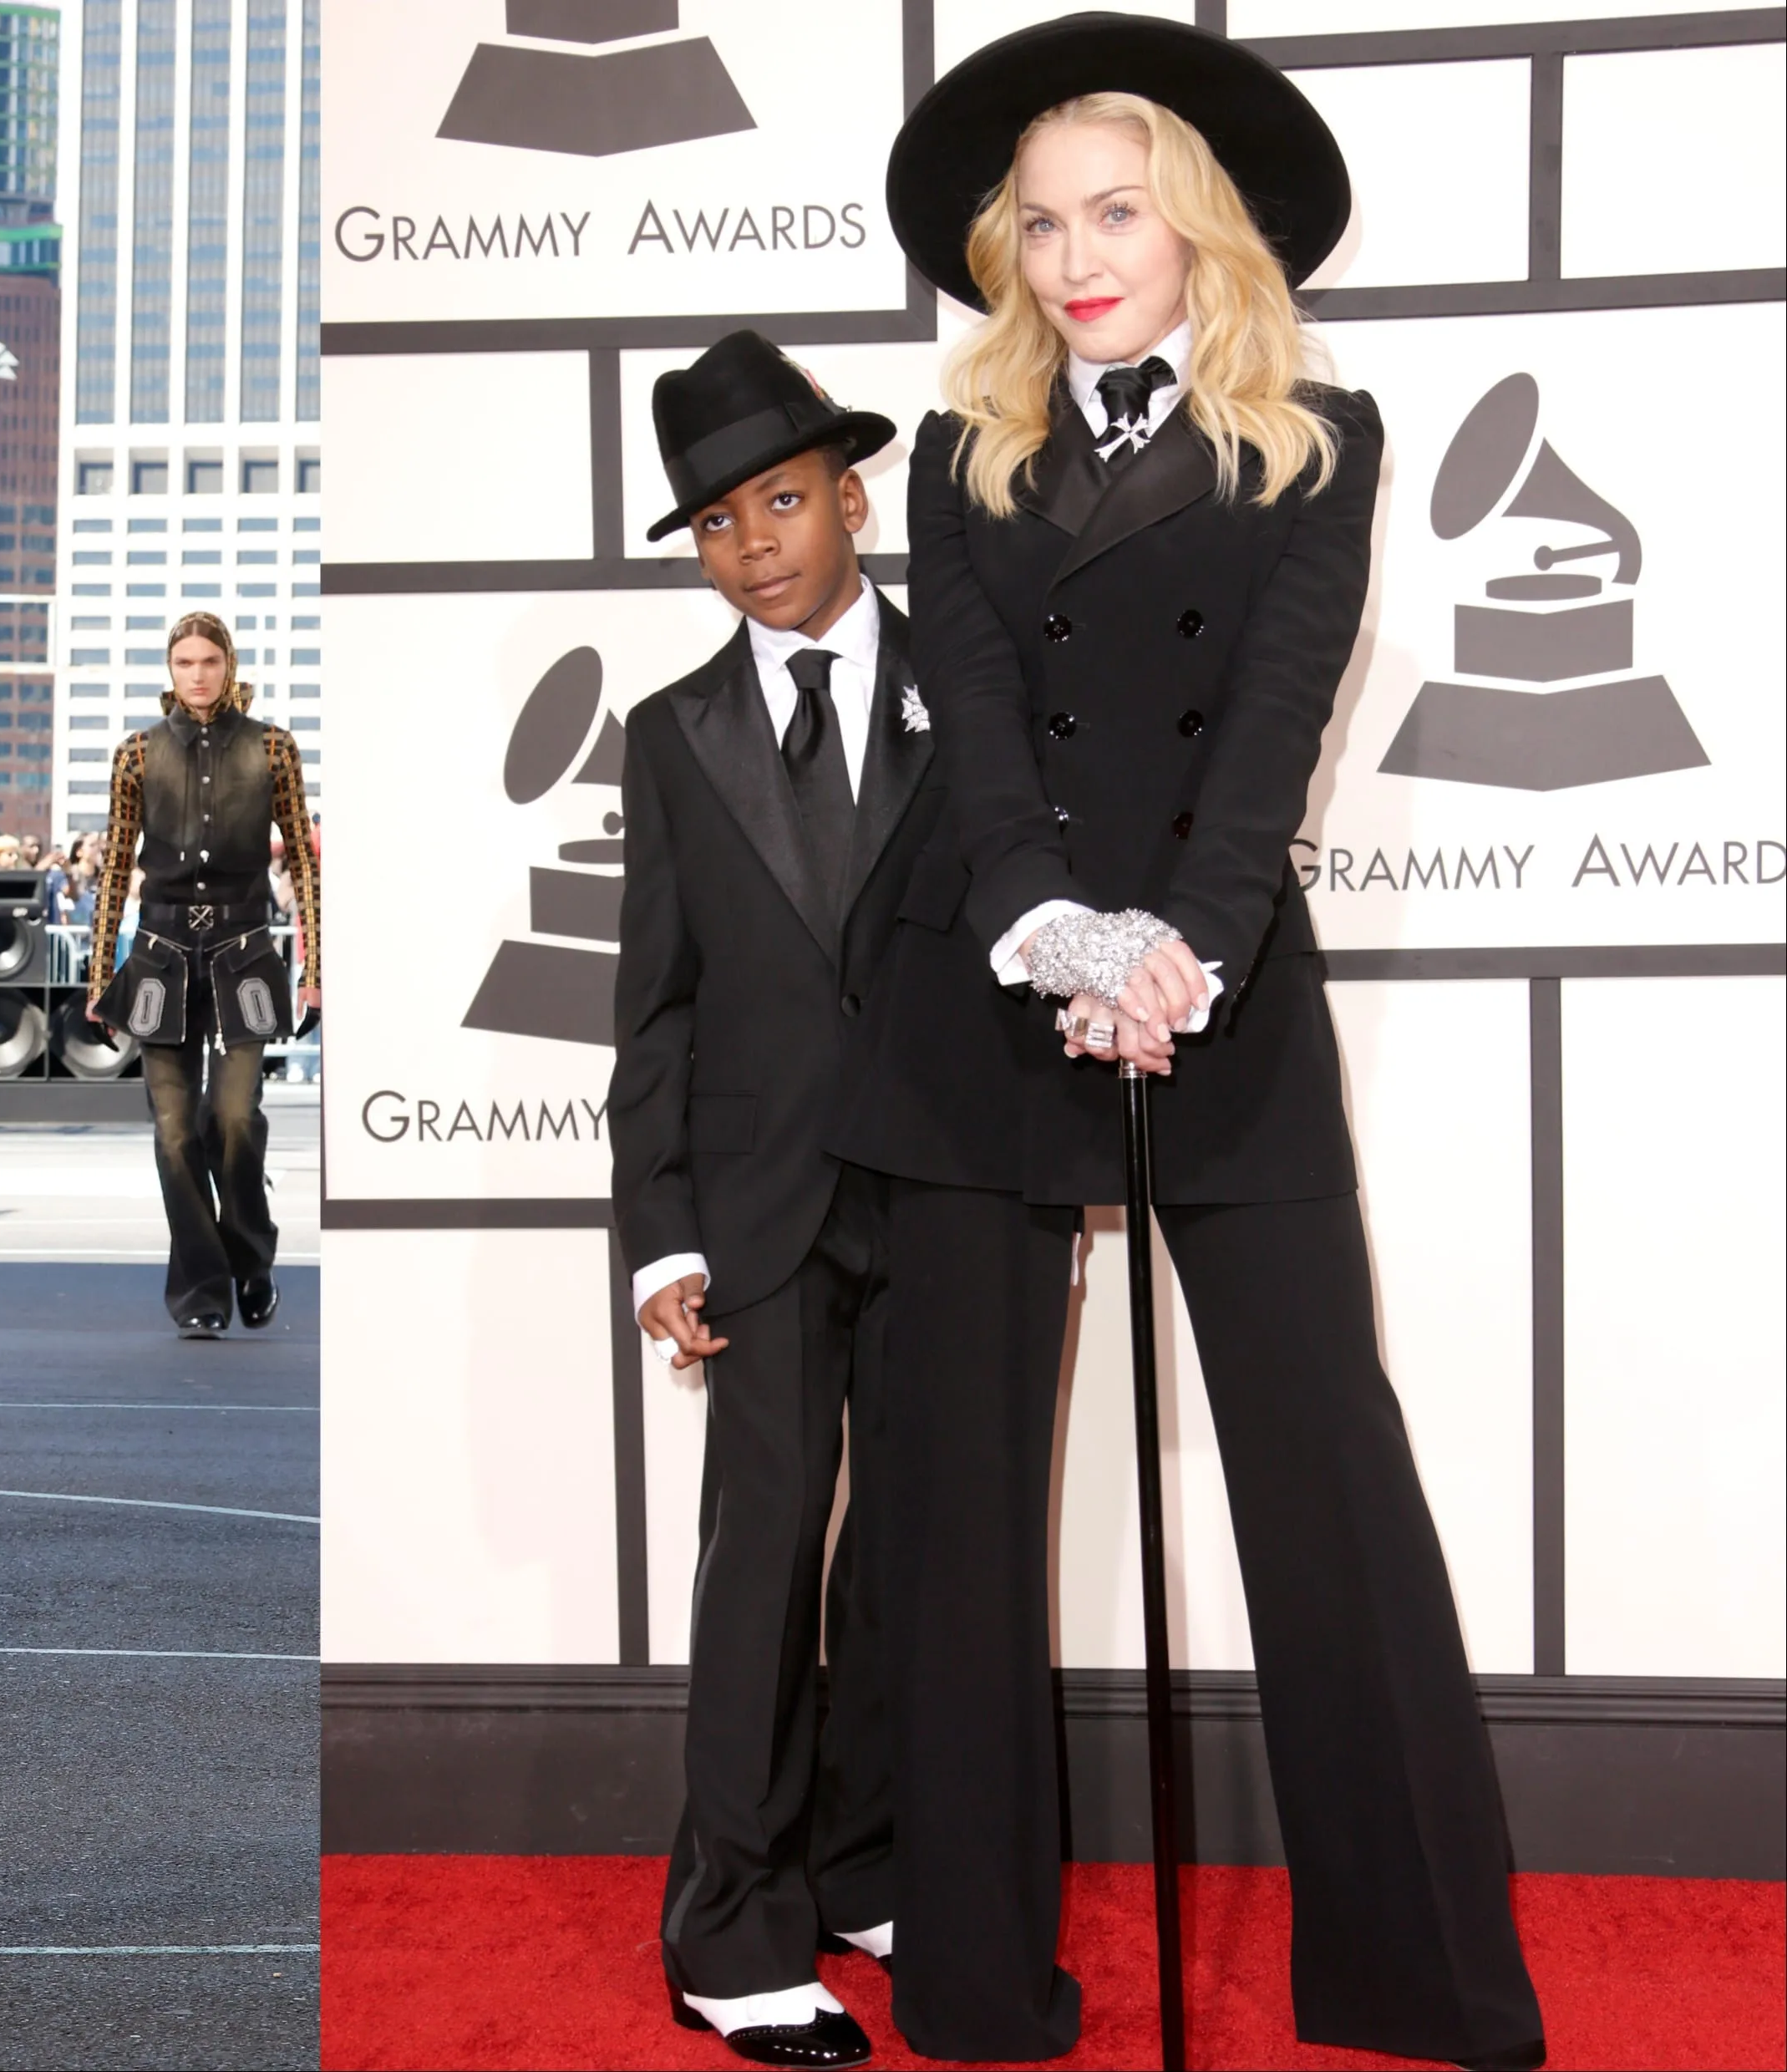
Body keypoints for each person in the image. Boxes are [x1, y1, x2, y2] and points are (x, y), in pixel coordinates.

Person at [837, 18, 1546, 2065]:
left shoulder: (1320, 435)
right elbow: (973, 730)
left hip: (1215, 998)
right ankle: (978, 1986)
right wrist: (1053, 929)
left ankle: (1416, 1979)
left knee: (1328, 1465)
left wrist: (1179, 947)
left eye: (1115, 212)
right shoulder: (962, 451)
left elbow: (1278, 727)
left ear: (1194, 226)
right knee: (959, 1517)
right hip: (986, 999)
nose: (1075, 256)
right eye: (1038, 223)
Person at [607, 334, 939, 2069]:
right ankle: (727, 1923)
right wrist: (659, 1230)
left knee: (907, 1560)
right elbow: (651, 1005)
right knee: (761, 1570)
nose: (756, 544)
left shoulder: (966, 681)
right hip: (753, 1214)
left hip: (952, 1193)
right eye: (719, 523)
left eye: (785, 501)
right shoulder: (668, 735)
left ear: (849, 494)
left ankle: (860, 1864)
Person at [86, 610, 320, 1337]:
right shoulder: (136, 754)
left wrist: (318, 966)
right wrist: (100, 976)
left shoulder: (274, 749)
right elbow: (116, 865)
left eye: (208, 661)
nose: (197, 674)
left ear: (228, 664)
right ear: (171, 668)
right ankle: (202, 1290)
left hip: (246, 949)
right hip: (158, 956)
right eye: (184, 661)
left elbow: (306, 860)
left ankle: (251, 1257)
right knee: (174, 1131)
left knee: (235, 1116)